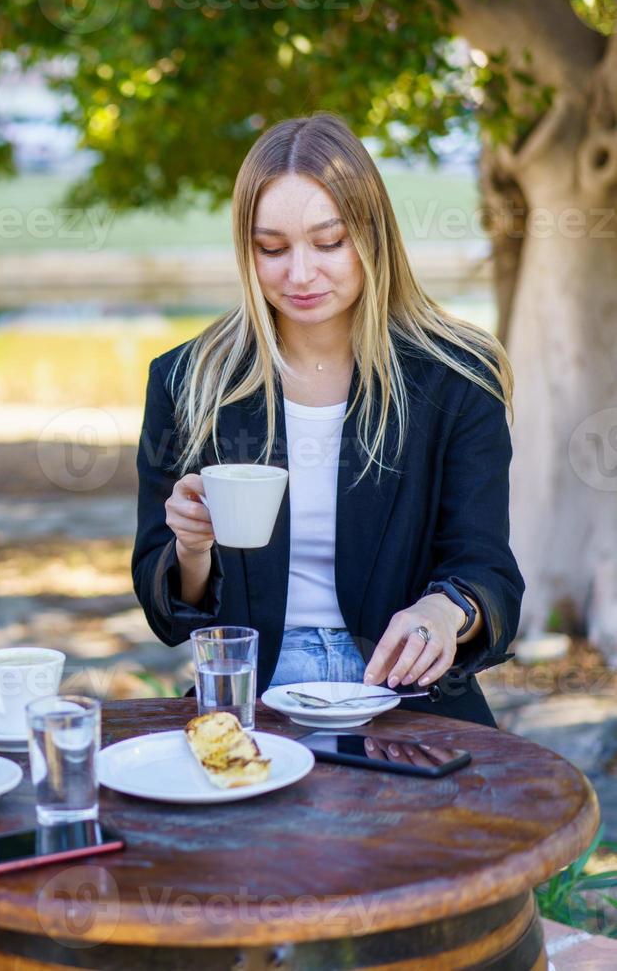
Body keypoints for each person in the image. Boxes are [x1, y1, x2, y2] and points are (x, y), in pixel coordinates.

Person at [131, 113, 524, 727]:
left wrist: (443, 614)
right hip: (251, 698)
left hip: (407, 697)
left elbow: (487, 570)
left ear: (372, 236)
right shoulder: (190, 380)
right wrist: (191, 548)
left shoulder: (456, 378)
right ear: (247, 251)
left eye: (329, 242)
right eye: (272, 249)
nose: (301, 274)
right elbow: (168, 612)